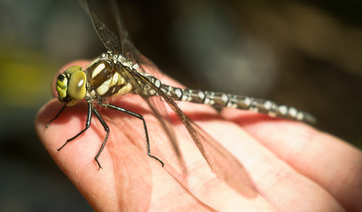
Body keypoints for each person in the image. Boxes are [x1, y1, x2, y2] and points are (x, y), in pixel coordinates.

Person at [35, 60, 362, 211]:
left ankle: (288, 111)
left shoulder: (95, 90)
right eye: (72, 82)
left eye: (74, 86)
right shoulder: (91, 84)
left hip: (179, 95)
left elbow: (107, 127)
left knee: (132, 121)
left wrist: (89, 149)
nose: (73, 85)